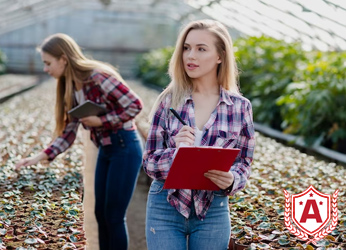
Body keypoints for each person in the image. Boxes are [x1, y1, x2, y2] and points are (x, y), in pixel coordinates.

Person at [15, 33, 143, 250]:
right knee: (99, 214)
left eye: (48, 63)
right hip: (106, 148)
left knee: (113, 215)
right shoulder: (72, 87)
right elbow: (69, 131)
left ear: (63, 59)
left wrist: (100, 120)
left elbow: (134, 105)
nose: (46, 69)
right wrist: (40, 156)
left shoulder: (98, 77)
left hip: (125, 147)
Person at [143, 19, 255, 249]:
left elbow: (243, 161)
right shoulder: (169, 101)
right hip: (166, 205)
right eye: (186, 48)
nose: (190, 56)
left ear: (220, 56)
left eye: (201, 49)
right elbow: (149, 162)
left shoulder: (240, 107)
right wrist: (175, 153)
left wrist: (233, 179)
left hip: (213, 208)